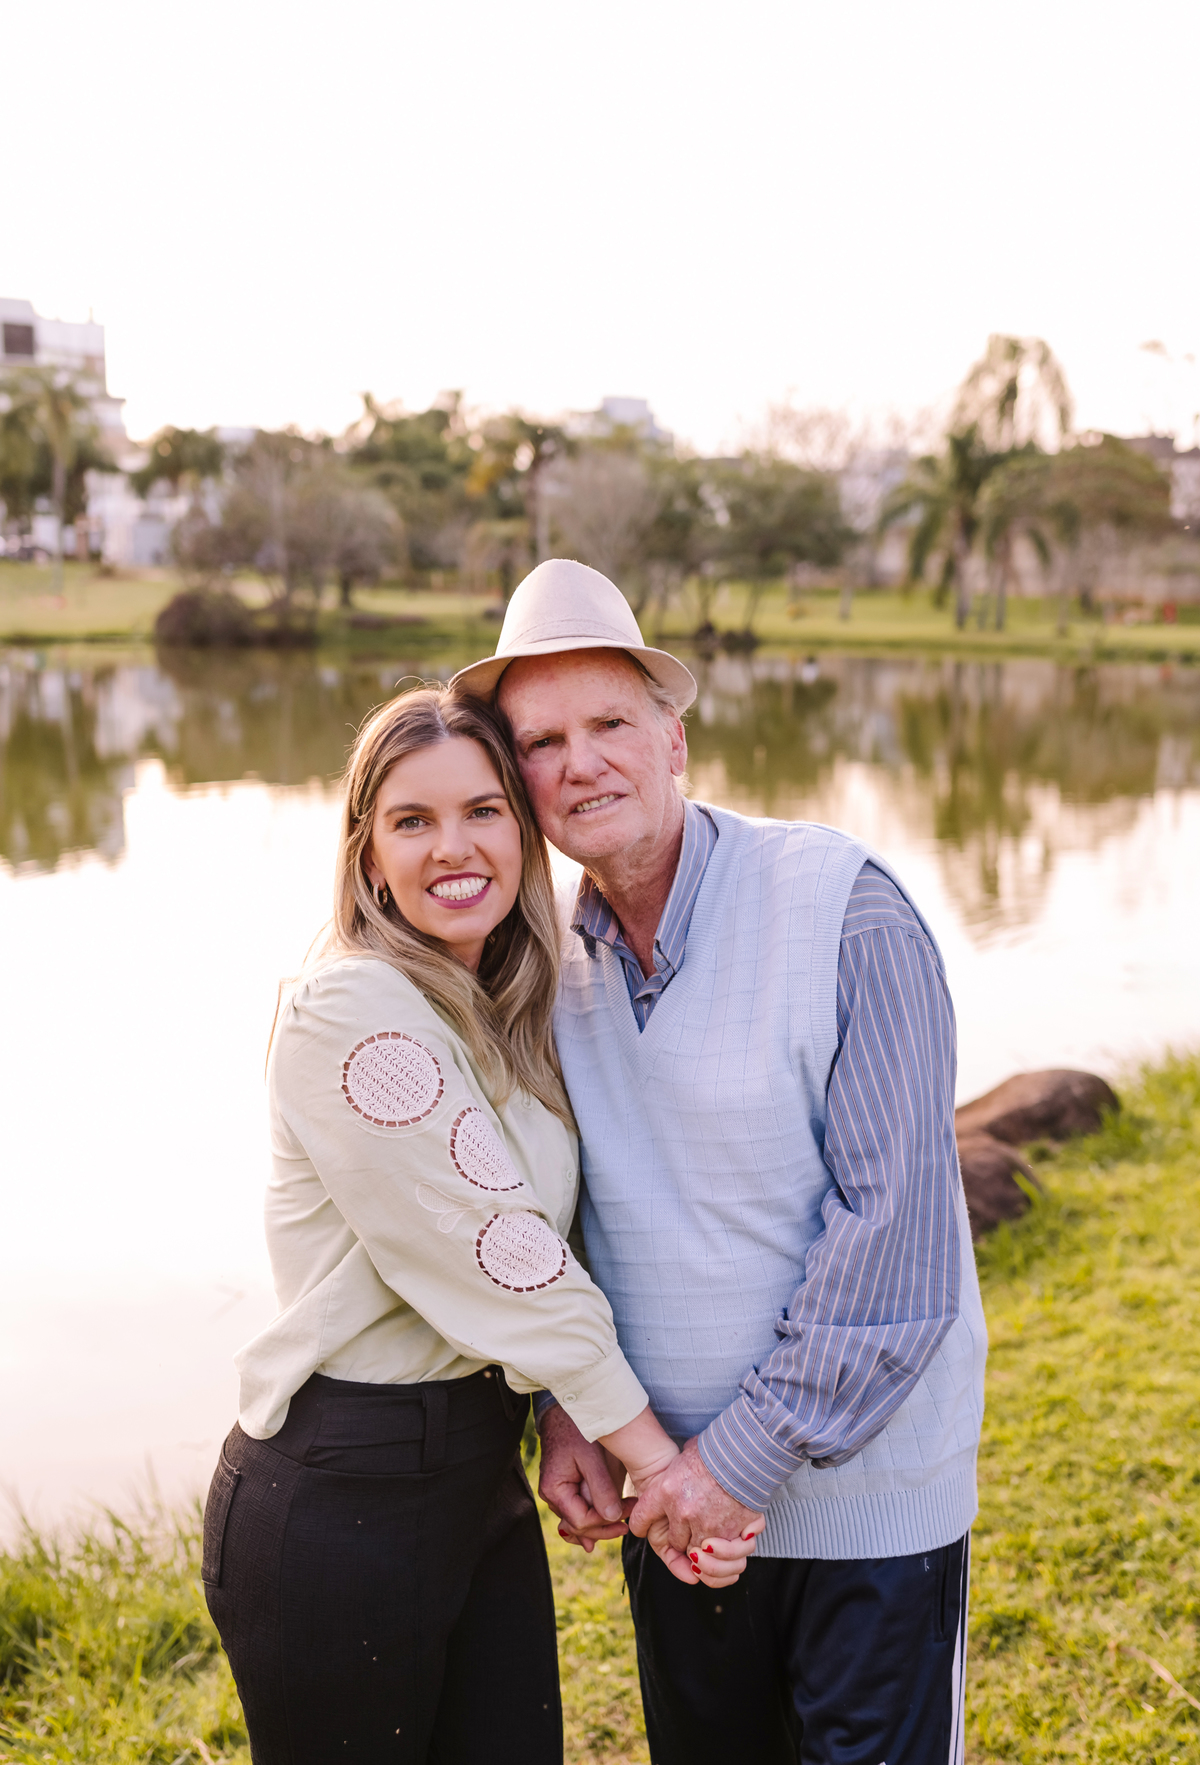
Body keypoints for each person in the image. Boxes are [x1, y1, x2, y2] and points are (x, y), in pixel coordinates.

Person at [452, 560, 989, 1765]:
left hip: (864, 1519)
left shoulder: (847, 908)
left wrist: (728, 1468)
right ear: (517, 779)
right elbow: (561, 1218)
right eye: (542, 740)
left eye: (609, 725)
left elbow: (893, 1245)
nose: (580, 761)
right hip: (677, 1515)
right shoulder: (541, 968)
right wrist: (572, 1416)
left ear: (675, 739)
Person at [201, 686, 755, 1765]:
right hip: (338, 1493)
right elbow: (511, 1259)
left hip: (473, 1476)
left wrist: (561, 1415)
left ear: (525, 830)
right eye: (412, 820)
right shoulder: (353, 1014)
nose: (453, 847)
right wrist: (662, 1469)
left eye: (484, 810)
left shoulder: (499, 1014)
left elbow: (560, 1227)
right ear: (368, 855)